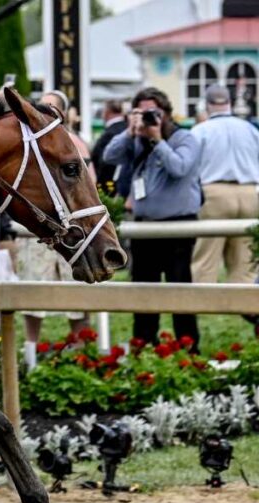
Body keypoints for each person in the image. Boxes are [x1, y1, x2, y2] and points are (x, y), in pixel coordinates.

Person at [103, 87, 202, 349]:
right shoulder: (136, 140)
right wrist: (130, 130)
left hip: (178, 226)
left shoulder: (185, 138)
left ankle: (188, 347)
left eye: (153, 113)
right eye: (141, 112)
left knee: (180, 290)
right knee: (143, 290)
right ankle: (143, 345)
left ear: (167, 113)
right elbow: (109, 156)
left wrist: (158, 140)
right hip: (144, 227)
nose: (148, 118)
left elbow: (179, 168)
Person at [14, 93, 95, 368]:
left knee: (78, 295)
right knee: (32, 294)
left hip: (72, 233)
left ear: (66, 114)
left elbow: (88, 187)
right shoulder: (28, 145)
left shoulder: (78, 144)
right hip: (39, 233)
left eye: (53, 108)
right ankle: (31, 355)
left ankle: (81, 353)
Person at [190, 84, 259, 286]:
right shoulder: (250, 129)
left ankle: (202, 301)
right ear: (229, 103)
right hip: (249, 192)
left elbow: (191, 167)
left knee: (206, 256)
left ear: (208, 105)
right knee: (244, 259)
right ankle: (244, 304)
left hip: (214, 193)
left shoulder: (199, 131)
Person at [91, 99, 130, 198]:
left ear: (107, 112)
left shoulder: (110, 133)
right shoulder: (127, 129)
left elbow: (102, 160)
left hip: (109, 186)